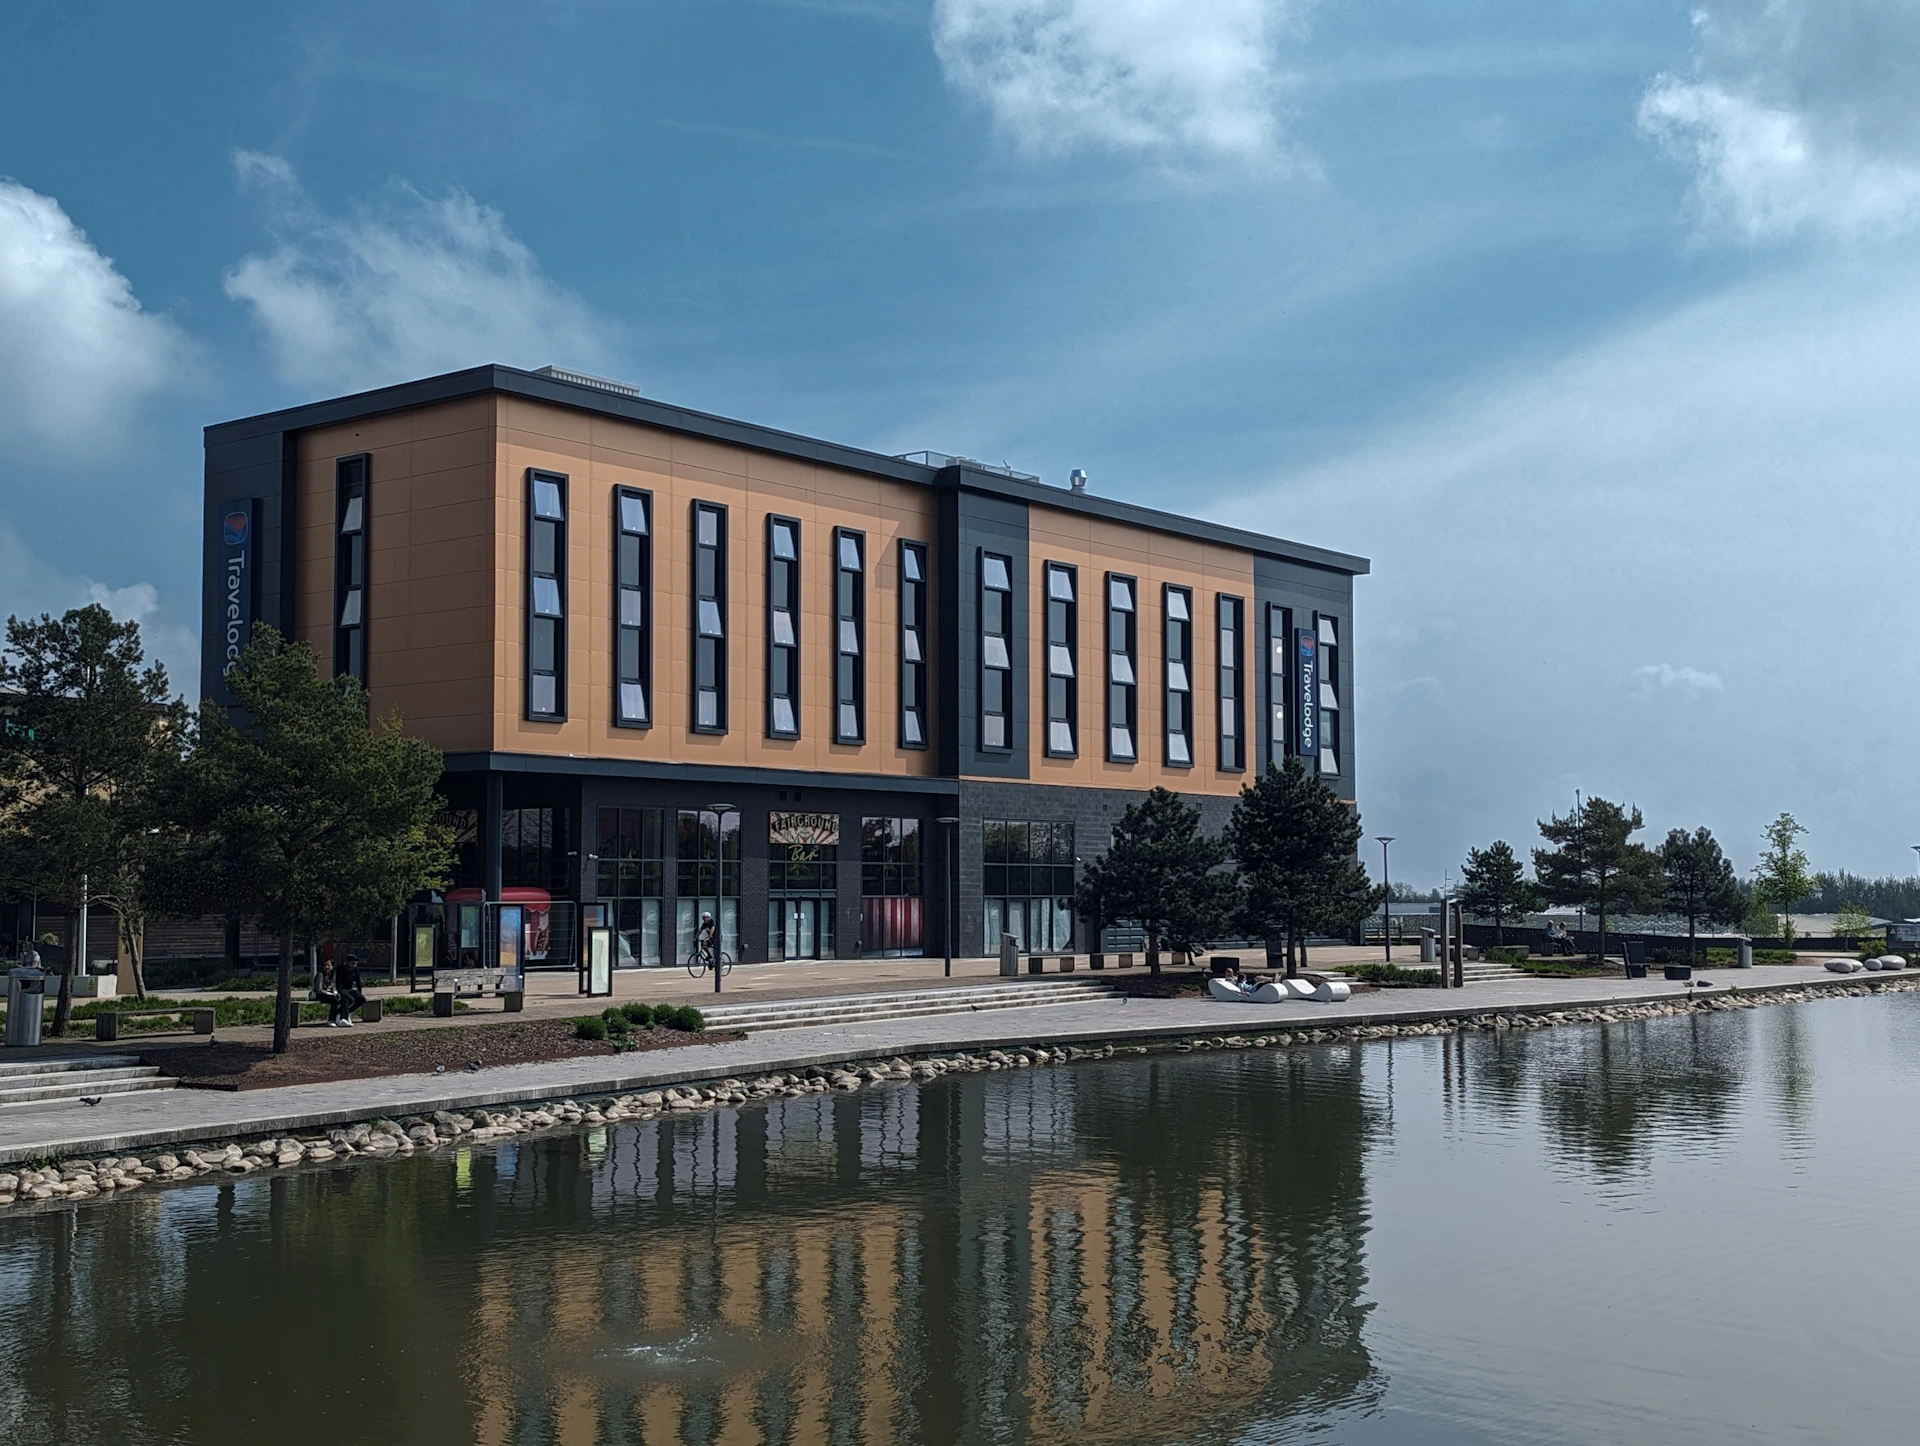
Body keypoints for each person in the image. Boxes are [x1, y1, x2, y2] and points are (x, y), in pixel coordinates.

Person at [334, 951, 365, 1027]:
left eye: (355, 964)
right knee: (348, 1000)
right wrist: (339, 992)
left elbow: (358, 981)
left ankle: (348, 1012)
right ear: (347, 962)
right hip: (342, 989)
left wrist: (359, 992)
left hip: (350, 989)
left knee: (361, 999)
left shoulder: (355, 969)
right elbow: (338, 982)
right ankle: (343, 1019)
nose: (354, 965)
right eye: (352, 963)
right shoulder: (341, 969)